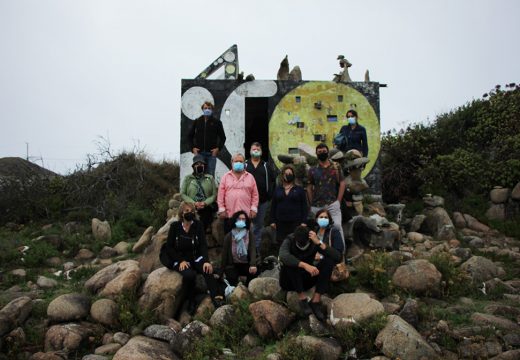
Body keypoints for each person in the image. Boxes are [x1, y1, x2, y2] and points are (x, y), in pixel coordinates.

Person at [160, 202, 224, 313]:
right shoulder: (175, 227)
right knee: (189, 275)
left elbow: (203, 245)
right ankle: (191, 301)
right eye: (186, 211)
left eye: (191, 211)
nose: (190, 213)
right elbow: (169, 247)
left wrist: (206, 261)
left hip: (195, 257)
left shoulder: (198, 225)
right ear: (181, 213)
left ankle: (216, 298)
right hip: (180, 259)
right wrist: (180, 261)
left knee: (207, 270)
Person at [279, 225, 343, 321]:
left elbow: (337, 257)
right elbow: (283, 255)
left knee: (328, 261)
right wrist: (304, 265)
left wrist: (319, 242)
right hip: (290, 282)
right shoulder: (290, 239)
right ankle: (302, 299)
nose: (302, 246)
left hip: (306, 279)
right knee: (290, 263)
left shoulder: (314, 242)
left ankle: (315, 300)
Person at [307, 143, 346, 244]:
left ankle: (340, 255)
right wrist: (311, 202)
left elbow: (342, 182)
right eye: (319, 152)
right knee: (319, 231)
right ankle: (319, 256)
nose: (322, 153)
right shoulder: (312, 170)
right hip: (317, 206)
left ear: (328, 152)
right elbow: (309, 186)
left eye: (324, 151)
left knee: (337, 227)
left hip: (333, 204)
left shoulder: (336, 167)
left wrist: (339, 200)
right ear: (316, 154)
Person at [217, 153, 259, 233]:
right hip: (229, 215)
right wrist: (221, 209)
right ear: (232, 162)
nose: (238, 163)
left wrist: (253, 209)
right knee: (229, 240)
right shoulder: (225, 177)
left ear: (244, 163)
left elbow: (255, 195)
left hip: (245, 215)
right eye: (236, 161)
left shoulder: (250, 177)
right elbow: (220, 195)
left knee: (245, 240)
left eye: (241, 161)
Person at [245, 142, 276, 250]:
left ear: (261, 151)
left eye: (258, 149)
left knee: (258, 226)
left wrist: (269, 195)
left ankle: (256, 251)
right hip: (247, 202)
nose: (256, 151)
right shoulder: (245, 165)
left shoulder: (266, 165)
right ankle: (245, 250)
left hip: (262, 202)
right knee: (246, 226)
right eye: (254, 149)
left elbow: (273, 180)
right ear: (250, 151)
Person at [270, 164, 308, 243]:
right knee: (281, 243)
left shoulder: (299, 189)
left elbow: (304, 206)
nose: (288, 175)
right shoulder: (277, 189)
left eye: (290, 173)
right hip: (280, 223)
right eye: (286, 174)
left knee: (295, 242)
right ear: (282, 175)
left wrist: (304, 222)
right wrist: (272, 221)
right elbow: (273, 206)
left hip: (296, 222)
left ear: (293, 175)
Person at [188, 101, 226, 176]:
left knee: (210, 176)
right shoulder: (197, 121)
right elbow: (189, 136)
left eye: (209, 108)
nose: (207, 109)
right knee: (199, 174)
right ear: (202, 109)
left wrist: (218, 149)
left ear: (212, 110)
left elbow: (223, 137)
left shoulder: (217, 122)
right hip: (199, 154)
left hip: (211, 155)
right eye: (205, 108)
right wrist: (193, 149)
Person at [180, 155, 218, 232]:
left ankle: (200, 236)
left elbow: (214, 195)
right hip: (192, 206)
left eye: (202, 164)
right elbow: (182, 194)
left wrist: (205, 203)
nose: (200, 166)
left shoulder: (210, 178)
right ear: (193, 166)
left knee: (205, 217)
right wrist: (194, 203)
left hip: (206, 206)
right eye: (197, 164)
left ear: (204, 166)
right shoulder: (188, 178)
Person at [220, 211, 258, 286]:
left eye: (243, 219)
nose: (241, 221)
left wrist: (253, 264)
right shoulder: (229, 236)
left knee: (255, 272)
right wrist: (221, 270)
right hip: (233, 265)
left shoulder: (249, 234)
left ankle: (247, 289)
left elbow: (253, 250)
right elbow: (224, 254)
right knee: (232, 279)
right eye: (239, 219)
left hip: (246, 263)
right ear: (235, 220)